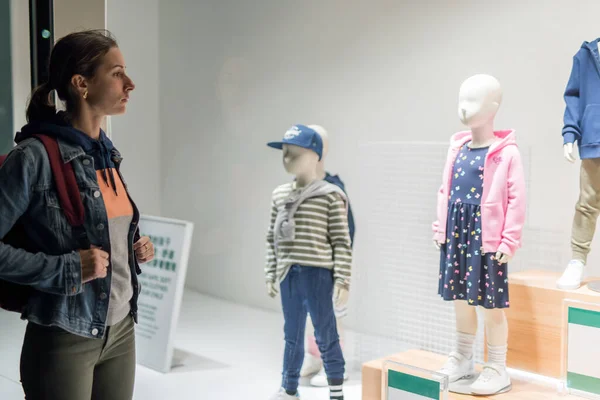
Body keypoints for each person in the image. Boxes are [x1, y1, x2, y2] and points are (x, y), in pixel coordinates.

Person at [0, 29, 154, 400]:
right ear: (81, 84)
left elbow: (99, 228)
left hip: (120, 328)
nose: (129, 84)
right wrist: (67, 269)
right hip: (63, 334)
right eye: (117, 73)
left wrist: (131, 245)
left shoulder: (106, 153)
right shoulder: (33, 157)